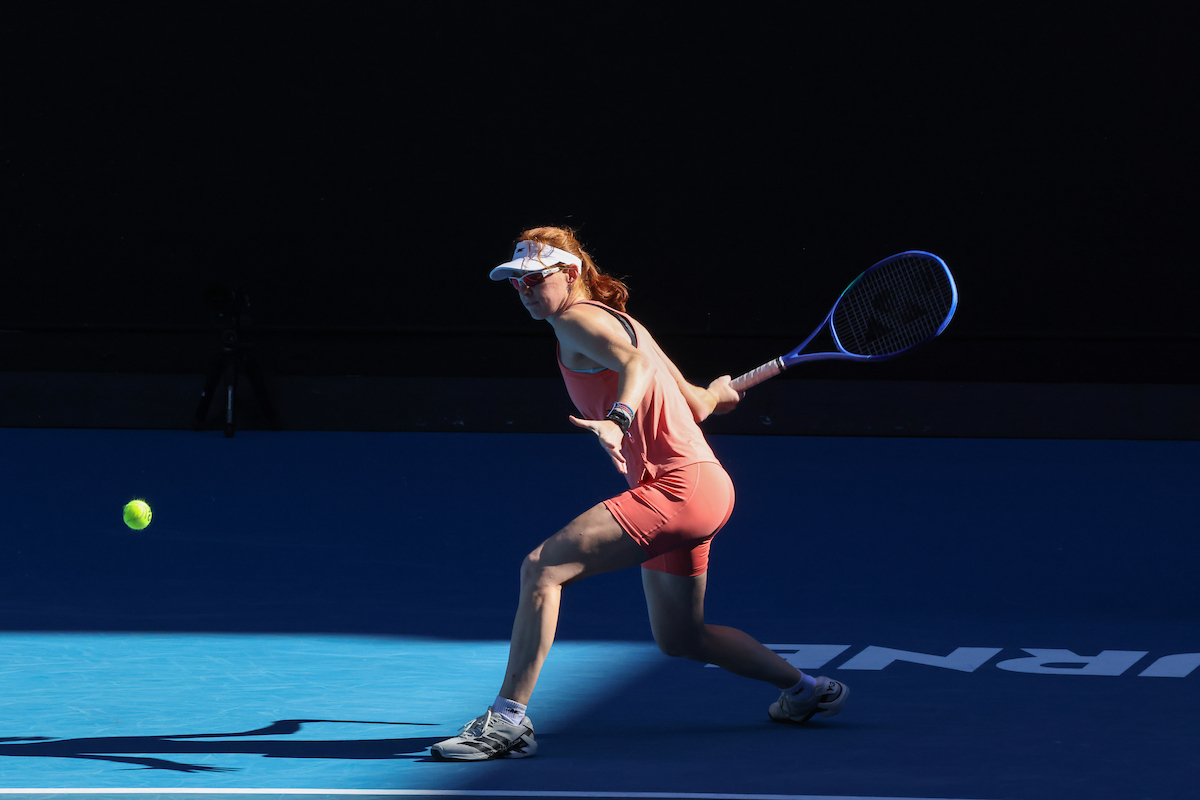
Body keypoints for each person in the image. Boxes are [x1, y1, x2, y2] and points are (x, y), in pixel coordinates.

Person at [430, 227, 848, 761]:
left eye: (536, 279)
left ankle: (507, 721)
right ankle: (807, 691)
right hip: (703, 487)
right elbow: (695, 403)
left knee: (542, 568)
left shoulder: (576, 319)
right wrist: (719, 391)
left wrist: (617, 419)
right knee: (681, 637)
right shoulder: (626, 325)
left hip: (676, 488)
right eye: (517, 283)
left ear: (571, 273)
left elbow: (637, 368)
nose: (527, 291)